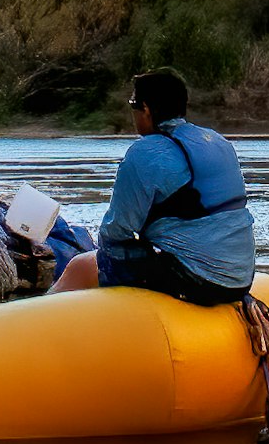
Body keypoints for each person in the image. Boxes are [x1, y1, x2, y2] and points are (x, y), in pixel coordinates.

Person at [53, 68, 253, 305]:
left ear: (145, 109)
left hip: (196, 281)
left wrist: (103, 262)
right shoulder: (219, 142)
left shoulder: (145, 153)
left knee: (83, 265)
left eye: (132, 104)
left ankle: (40, 319)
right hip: (241, 278)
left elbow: (117, 232)